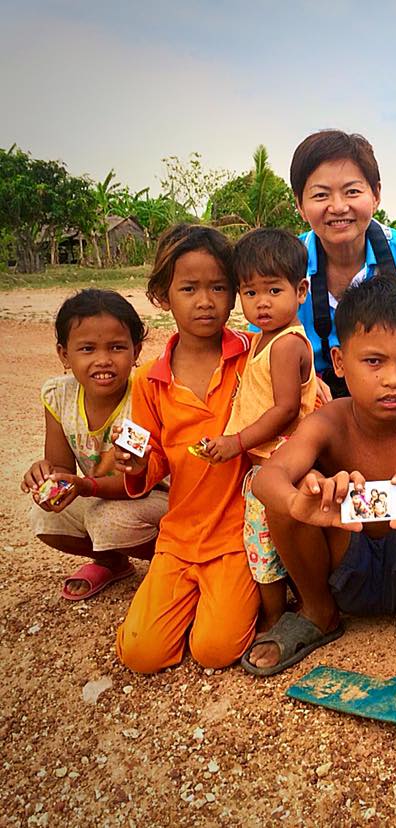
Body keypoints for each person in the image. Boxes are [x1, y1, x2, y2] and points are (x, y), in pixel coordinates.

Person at [245, 276, 396, 678]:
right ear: (338, 362)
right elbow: (269, 477)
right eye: (374, 362)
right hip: (339, 559)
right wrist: (299, 502)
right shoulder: (329, 421)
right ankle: (318, 611)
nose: (392, 379)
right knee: (296, 487)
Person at [114, 224, 258, 673]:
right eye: (189, 288)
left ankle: (224, 606)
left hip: (238, 535)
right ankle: (188, 603)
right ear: (162, 296)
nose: (205, 301)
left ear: (234, 293)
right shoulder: (149, 382)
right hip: (178, 536)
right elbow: (150, 461)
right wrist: (135, 464)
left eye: (218, 287)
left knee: (216, 650)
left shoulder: (252, 356)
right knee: (141, 654)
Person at [201, 228, 319, 633]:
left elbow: (286, 410)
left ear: (301, 290)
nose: (262, 303)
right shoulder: (262, 340)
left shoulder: (286, 344)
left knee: (262, 543)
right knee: (279, 538)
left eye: (273, 290)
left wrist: (236, 442)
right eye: (250, 293)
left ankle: (274, 617)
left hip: (278, 462)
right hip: (272, 462)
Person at [21, 289, 167, 600]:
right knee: (46, 515)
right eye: (87, 349)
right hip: (98, 489)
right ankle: (112, 562)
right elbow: (61, 467)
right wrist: (48, 477)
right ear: (64, 354)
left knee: (109, 521)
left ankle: (169, 563)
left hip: (156, 498)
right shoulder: (58, 396)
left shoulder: (141, 397)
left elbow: (133, 484)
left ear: (136, 350)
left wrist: (84, 486)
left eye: (116, 348)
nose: (103, 360)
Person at [289, 129, 396, 397]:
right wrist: (303, 385)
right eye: (321, 195)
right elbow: (264, 346)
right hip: (316, 405)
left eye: (352, 191)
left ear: (376, 194)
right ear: (299, 204)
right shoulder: (286, 266)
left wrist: (395, 394)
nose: (338, 206)